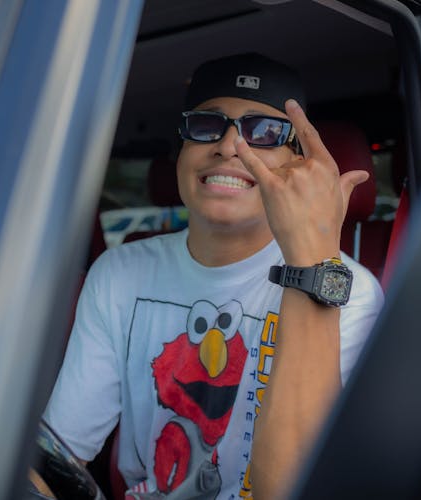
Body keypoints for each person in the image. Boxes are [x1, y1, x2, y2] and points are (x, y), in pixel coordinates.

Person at [42, 53, 384, 499]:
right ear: (182, 149)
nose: (229, 145)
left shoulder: (348, 291)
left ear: (297, 166)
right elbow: (59, 458)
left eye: (263, 133)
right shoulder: (120, 271)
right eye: (206, 124)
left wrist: (312, 255)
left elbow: (287, 490)